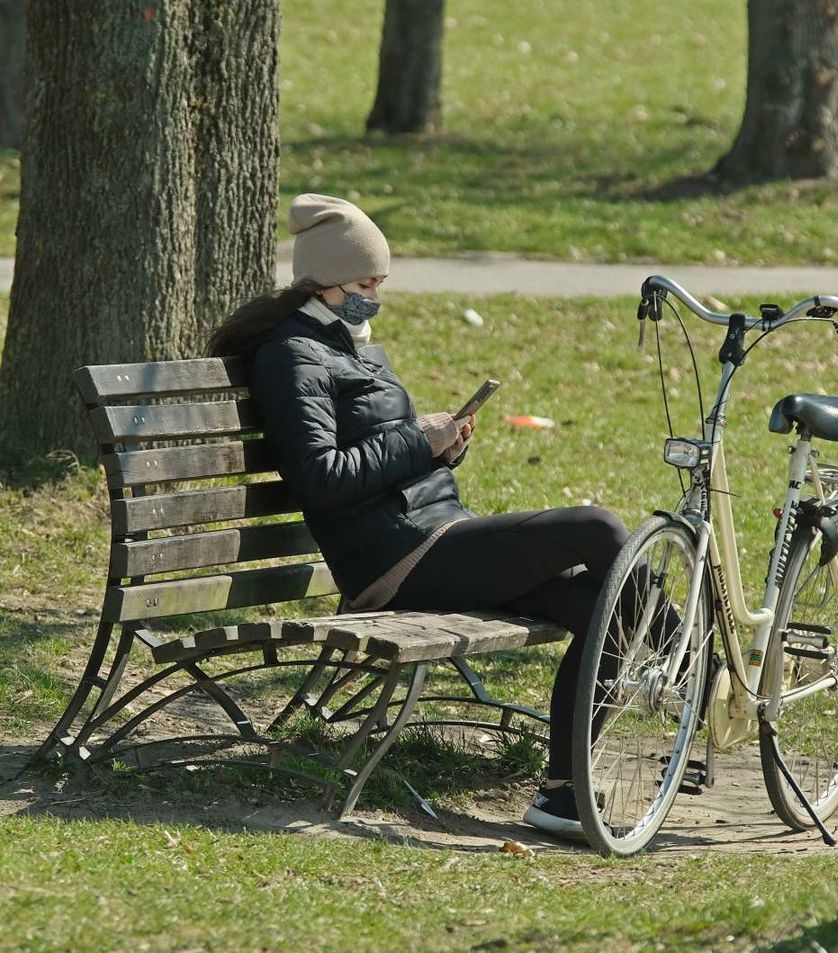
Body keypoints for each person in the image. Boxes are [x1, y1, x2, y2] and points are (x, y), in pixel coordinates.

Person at [208, 193, 634, 838]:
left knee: (607, 600)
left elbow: (383, 458)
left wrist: (444, 449)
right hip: (395, 562)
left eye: (379, 282)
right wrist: (417, 440)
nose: (374, 296)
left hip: (435, 534)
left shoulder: (352, 347)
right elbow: (321, 481)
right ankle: (682, 667)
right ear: (321, 282)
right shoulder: (290, 356)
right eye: (363, 283)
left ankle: (562, 791)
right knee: (599, 529)